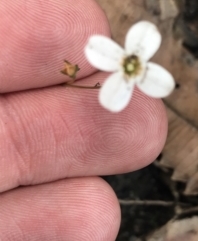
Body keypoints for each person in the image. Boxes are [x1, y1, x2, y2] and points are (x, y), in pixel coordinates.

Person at [0, 0, 168, 240]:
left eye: (134, 65)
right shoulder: (106, 60)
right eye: (130, 64)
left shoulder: (144, 61)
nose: (132, 65)